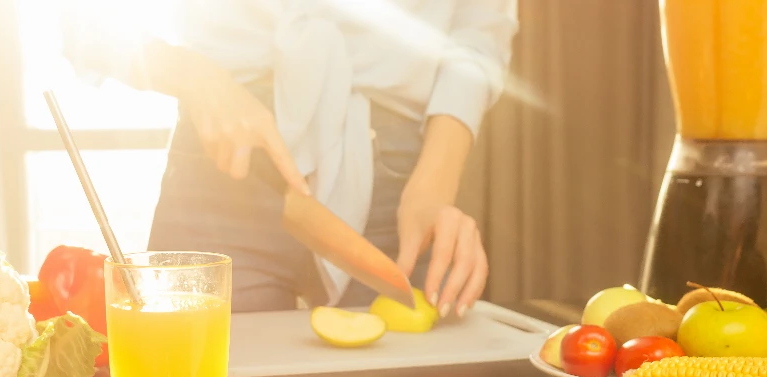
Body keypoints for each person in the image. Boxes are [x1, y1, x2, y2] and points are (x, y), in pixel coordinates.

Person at [61, 0, 517, 317]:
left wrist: (436, 181)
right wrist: (193, 75)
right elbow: (85, 21)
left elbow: (481, 29)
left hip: (401, 184)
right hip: (225, 163)